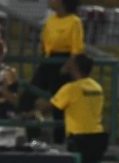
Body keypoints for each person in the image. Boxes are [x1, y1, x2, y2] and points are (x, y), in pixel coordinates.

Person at [19, 0, 84, 143]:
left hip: (63, 63)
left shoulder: (74, 22)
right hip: (48, 61)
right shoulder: (51, 20)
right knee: (28, 97)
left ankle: (59, 140)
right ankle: (33, 136)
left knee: (58, 106)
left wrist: (67, 67)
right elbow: (45, 42)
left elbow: (77, 49)